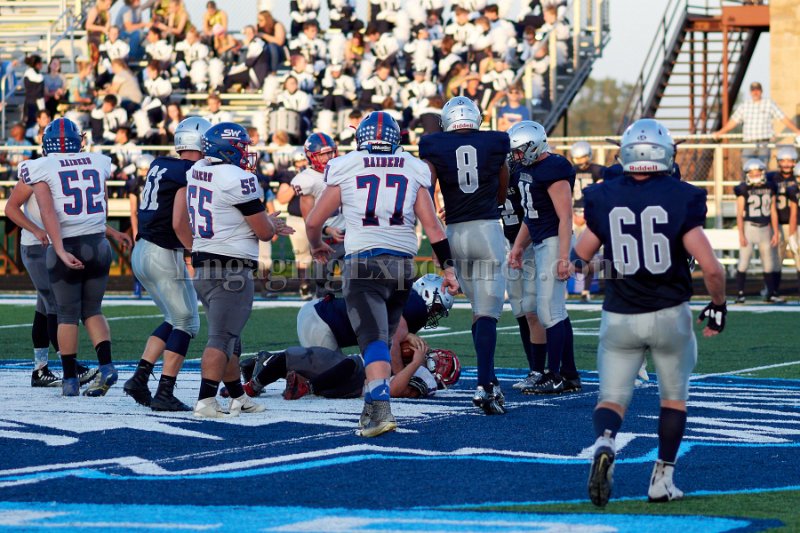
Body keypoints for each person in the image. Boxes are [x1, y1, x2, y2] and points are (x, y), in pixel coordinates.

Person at [572, 118, 727, 507]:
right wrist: (718, 305)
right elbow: (712, 268)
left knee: (612, 398)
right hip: (670, 315)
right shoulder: (683, 196)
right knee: (673, 399)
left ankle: (605, 441)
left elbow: (580, 259)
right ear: (666, 154)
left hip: (620, 315)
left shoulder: (603, 195)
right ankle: (662, 479)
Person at [305, 111, 459, 437]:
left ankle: (379, 409)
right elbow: (433, 228)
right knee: (384, 339)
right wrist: (448, 268)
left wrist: (317, 245)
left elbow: (314, 220)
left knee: (373, 340)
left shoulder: (347, 165)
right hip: (402, 265)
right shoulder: (413, 167)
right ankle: (373, 404)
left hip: (363, 262)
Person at [186, 122, 293, 418]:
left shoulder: (196, 170)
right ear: (228, 149)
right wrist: (270, 224)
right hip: (230, 268)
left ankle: (237, 396)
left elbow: (230, 213)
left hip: (204, 264)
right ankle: (205, 401)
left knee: (230, 337)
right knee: (222, 337)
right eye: (242, 147)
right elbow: (263, 232)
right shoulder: (239, 179)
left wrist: (264, 221)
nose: (246, 152)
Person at [23, 118, 132, 396]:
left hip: (68, 244)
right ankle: (106, 365)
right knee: (93, 310)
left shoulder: (40, 166)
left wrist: (59, 249)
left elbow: (48, 212)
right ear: (78, 141)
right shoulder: (98, 161)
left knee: (66, 316)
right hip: (98, 244)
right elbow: (102, 207)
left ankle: (70, 380)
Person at [419, 96, 510, 415]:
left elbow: (427, 189)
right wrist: (495, 201)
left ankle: (490, 379)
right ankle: (486, 385)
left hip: (455, 232)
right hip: (487, 230)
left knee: (477, 310)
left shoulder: (433, 144)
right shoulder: (496, 141)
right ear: (476, 119)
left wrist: (436, 235)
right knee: (486, 312)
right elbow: (503, 180)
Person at [240, 277, 457, 400]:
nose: (435, 314)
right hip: (324, 321)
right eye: (437, 308)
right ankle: (267, 363)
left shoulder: (407, 300)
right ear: (429, 294)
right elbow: (391, 341)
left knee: (331, 370)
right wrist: (399, 375)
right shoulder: (416, 306)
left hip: (320, 315)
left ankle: (266, 361)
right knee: (333, 380)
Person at [123, 117, 211, 412]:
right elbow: (178, 221)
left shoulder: (161, 164)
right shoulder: (190, 171)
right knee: (187, 322)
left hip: (143, 250)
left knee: (176, 319)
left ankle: (140, 378)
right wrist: (194, 251)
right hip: (162, 253)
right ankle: (165, 391)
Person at [5, 163, 98, 389]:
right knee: (56, 305)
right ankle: (71, 367)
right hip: (37, 247)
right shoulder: (38, 170)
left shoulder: (63, 168)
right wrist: (36, 229)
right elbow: (11, 208)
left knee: (44, 308)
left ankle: (40, 370)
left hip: (57, 247)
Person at [508, 120, 580, 394]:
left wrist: (564, 257)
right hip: (538, 240)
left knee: (551, 311)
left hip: (553, 241)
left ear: (533, 146)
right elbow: (531, 215)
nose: (515, 156)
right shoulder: (527, 169)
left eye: (518, 150)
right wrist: (518, 247)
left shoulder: (554, 168)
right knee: (546, 309)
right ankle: (565, 374)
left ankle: (556, 375)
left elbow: (565, 217)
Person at [291, 133, 345, 297]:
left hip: (350, 236)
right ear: (310, 156)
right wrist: (327, 230)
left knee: (356, 284)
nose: (327, 158)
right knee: (323, 287)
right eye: (322, 154)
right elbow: (309, 220)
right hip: (324, 240)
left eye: (330, 153)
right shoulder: (307, 179)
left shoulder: (344, 170)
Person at [713, 81, 800, 162]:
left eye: (757, 90)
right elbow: (733, 122)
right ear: (750, 92)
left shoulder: (769, 104)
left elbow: (783, 118)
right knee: (747, 168)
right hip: (748, 143)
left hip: (764, 143)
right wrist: (720, 132)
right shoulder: (745, 105)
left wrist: (797, 131)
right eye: (753, 90)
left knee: (763, 168)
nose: (755, 92)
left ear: (761, 91)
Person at [734, 158, 781, 303]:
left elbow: (773, 211)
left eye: (757, 173)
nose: (755, 175)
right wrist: (741, 234)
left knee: (768, 263)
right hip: (750, 228)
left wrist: (776, 232)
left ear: (763, 173)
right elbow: (739, 214)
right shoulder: (743, 189)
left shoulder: (770, 187)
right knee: (744, 261)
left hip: (765, 228)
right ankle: (740, 293)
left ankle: (770, 293)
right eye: (752, 173)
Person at [767, 146, 800, 295]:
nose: (786, 164)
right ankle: (772, 290)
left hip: (796, 223)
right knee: (776, 260)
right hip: (778, 224)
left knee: (798, 258)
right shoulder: (771, 178)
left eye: (790, 161)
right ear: (778, 161)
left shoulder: (797, 176)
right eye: (783, 161)